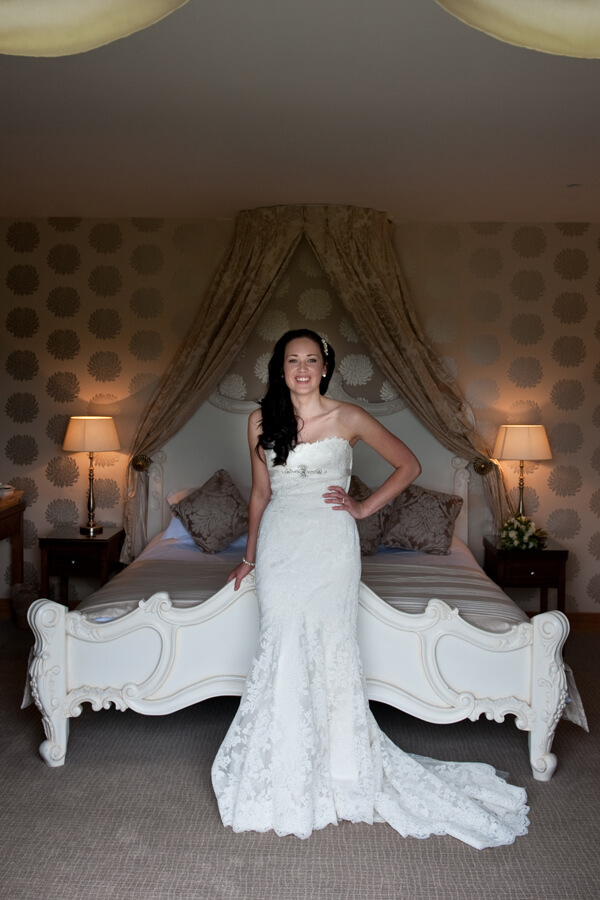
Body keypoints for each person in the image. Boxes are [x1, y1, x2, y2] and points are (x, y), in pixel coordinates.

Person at [211, 329, 529, 849]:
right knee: (283, 644)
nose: (302, 368)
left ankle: (339, 768)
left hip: (331, 549)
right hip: (280, 549)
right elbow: (261, 494)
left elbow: (410, 465)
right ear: (280, 367)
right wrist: (247, 559)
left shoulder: (349, 417)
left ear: (325, 367)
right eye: (293, 360)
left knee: (332, 648)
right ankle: (286, 764)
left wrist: (362, 508)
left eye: (311, 359)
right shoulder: (259, 421)